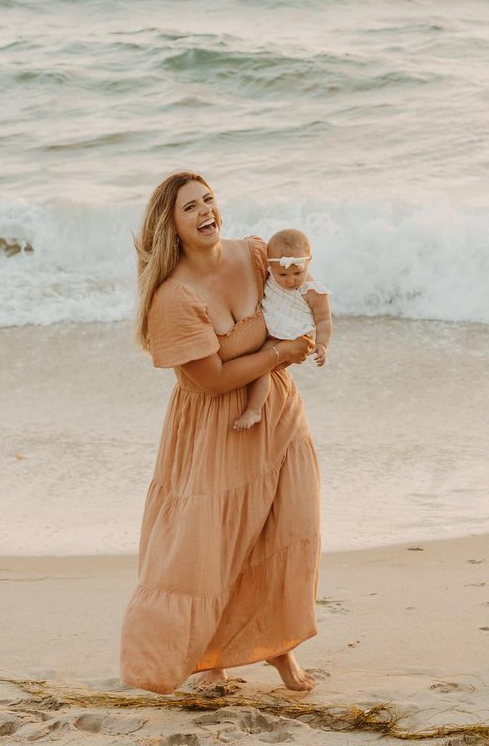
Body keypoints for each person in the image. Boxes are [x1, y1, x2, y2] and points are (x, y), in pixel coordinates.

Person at [120, 172, 321, 694]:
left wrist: (315, 332)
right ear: (172, 225)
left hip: (277, 411)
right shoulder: (173, 297)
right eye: (190, 207)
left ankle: (279, 649)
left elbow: (298, 301)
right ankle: (209, 658)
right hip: (216, 427)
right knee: (210, 545)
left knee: (286, 526)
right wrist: (279, 354)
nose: (206, 211)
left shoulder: (256, 255)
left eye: (208, 199)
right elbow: (208, 382)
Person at [233, 228, 332, 431]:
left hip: (292, 334)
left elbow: (323, 320)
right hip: (272, 327)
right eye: (283, 274)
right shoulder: (269, 275)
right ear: (271, 266)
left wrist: (322, 344)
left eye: (297, 272)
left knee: (262, 366)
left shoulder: (314, 292)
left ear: (309, 262)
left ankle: (254, 409)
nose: (290, 280)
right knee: (253, 361)